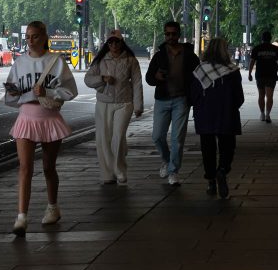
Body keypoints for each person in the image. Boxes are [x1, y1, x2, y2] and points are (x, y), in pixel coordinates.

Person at [4, 21, 78, 237]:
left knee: (48, 167)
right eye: (27, 36)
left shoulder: (56, 61)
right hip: (26, 115)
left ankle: (53, 207)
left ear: (44, 37)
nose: (30, 40)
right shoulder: (20, 62)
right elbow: (10, 96)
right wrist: (14, 93)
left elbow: (70, 90)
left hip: (49, 116)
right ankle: (21, 217)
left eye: (34, 36)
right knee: (25, 167)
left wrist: (48, 92)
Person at [85, 29, 144, 185]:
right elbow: (88, 79)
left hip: (124, 103)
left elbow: (137, 83)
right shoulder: (100, 60)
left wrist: (138, 106)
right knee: (103, 138)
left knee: (118, 136)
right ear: (107, 44)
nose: (114, 45)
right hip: (103, 103)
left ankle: (120, 170)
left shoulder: (131, 60)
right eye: (110, 42)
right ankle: (107, 174)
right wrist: (102, 78)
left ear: (121, 42)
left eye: (116, 42)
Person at [145, 21, 200, 186]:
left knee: (177, 138)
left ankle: (173, 171)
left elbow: (199, 77)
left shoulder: (189, 56)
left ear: (179, 35)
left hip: (181, 100)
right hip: (162, 100)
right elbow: (149, 78)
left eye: (173, 34)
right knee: (157, 136)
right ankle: (166, 160)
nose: (170, 37)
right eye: (167, 34)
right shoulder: (159, 55)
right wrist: (156, 77)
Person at [191, 38, 244, 199]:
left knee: (207, 149)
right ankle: (222, 170)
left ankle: (211, 181)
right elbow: (239, 97)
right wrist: (231, 107)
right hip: (226, 114)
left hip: (205, 114)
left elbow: (193, 95)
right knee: (228, 146)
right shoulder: (232, 70)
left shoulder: (200, 70)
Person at [248, 30, 278, 123]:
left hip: (260, 74)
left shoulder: (257, 48)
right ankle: (268, 115)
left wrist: (250, 73)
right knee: (269, 96)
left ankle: (262, 114)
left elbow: (252, 62)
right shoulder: (275, 49)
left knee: (261, 95)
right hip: (271, 74)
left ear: (262, 39)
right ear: (270, 38)